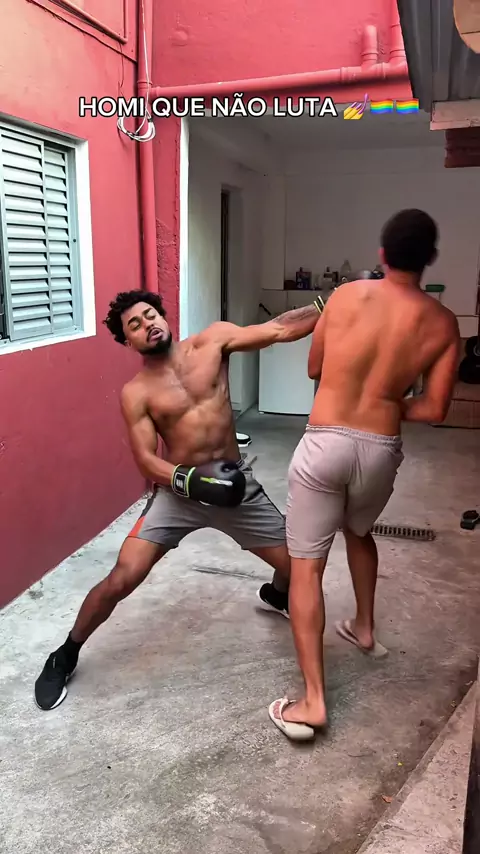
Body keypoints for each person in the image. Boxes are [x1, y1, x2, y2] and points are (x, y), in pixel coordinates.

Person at [34, 289, 323, 711]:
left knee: (301, 570)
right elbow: (146, 461)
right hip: (179, 494)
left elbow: (279, 329)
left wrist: (328, 305)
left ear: (163, 315)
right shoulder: (136, 393)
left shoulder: (213, 342)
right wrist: (190, 482)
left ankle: (278, 594)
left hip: (235, 487)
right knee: (123, 577)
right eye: (135, 325)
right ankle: (65, 654)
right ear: (128, 341)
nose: (147, 325)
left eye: (150, 315)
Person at [269, 209, 461, 741]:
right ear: (430, 259)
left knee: (306, 569)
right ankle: (365, 627)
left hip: (325, 440)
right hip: (379, 449)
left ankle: (313, 703)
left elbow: (314, 367)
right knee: (359, 531)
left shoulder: (346, 295)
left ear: (381, 255)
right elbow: (435, 408)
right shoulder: (443, 322)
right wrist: (384, 400)